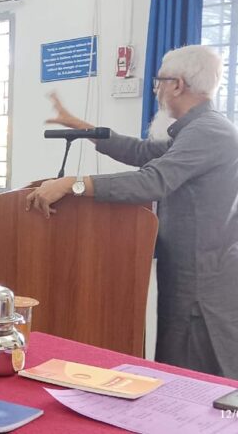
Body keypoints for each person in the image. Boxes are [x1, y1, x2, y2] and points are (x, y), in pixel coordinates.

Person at [27, 45, 238, 379]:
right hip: (189, 271)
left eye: (159, 81)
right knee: (177, 365)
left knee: (198, 376)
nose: (157, 89)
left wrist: (74, 184)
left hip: (202, 282)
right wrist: (85, 129)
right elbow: (144, 153)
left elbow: (153, 180)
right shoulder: (197, 129)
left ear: (177, 85)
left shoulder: (208, 131)